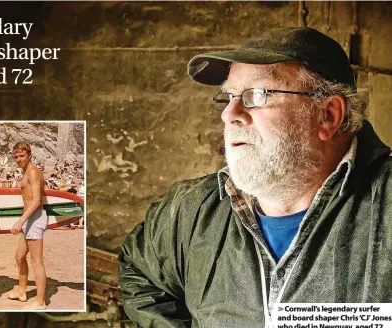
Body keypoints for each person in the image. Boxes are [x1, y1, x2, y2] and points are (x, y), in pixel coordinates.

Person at [118, 27, 392, 327]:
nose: (230, 113)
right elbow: (139, 275)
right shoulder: (191, 211)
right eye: (230, 96)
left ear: (327, 115)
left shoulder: (385, 208)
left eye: (258, 94)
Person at [9, 141, 48, 310]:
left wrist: (20, 220)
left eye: (22, 156)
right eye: (16, 157)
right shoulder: (26, 172)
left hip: (35, 218)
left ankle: (41, 302)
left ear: (29, 155)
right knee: (19, 256)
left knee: (37, 261)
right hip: (29, 219)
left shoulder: (33, 172)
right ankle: (22, 291)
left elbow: (37, 201)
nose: (19, 159)